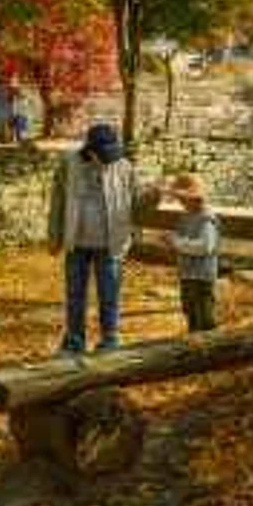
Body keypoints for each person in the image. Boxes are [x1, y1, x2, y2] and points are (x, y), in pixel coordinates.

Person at [48, 123, 160, 353]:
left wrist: (154, 197)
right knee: (74, 295)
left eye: (112, 155)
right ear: (90, 150)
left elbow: (137, 208)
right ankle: (74, 340)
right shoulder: (69, 165)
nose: (109, 161)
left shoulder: (124, 166)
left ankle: (110, 339)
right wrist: (54, 236)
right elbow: (57, 202)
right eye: (104, 156)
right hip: (76, 242)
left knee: (109, 295)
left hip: (112, 243)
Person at [164, 173, 221, 332]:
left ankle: (209, 346)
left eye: (183, 199)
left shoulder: (206, 218)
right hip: (188, 273)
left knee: (204, 313)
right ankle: (193, 342)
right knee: (190, 310)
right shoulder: (187, 216)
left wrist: (176, 242)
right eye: (179, 199)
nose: (181, 202)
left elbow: (205, 247)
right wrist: (172, 239)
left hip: (202, 276)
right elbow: (182, 237)